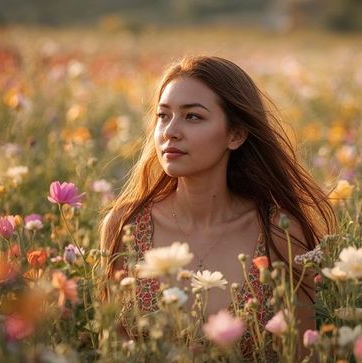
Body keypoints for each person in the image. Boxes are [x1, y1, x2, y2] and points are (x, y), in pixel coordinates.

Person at [99, 55, 336, 360]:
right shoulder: (124, 226)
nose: (170, 131)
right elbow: (112, 351)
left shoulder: (280, 232)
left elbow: (304, 357)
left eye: (192, 116)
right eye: (163, 115)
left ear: (236, 135)